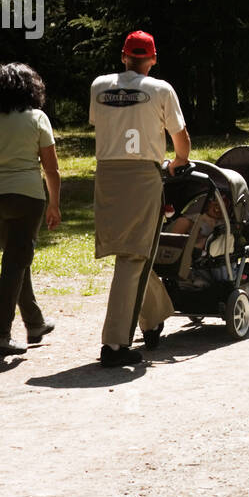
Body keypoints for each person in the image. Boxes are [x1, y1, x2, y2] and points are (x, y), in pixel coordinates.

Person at [90, 30, 190, 367]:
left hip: (106, 174)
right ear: (153, 58)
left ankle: (155, 315)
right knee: (134, 255)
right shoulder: (161, 89)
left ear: (123, 56)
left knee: (136, 251)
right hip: (142, 174)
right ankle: (114, 345)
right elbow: (181, 140)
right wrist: (177, 162)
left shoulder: (99, 86)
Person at [0, 63, 61, 357]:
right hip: (27, 198)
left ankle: (34, 323)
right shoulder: (37, 118)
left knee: (17, 258)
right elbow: (52, 168)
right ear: (31, 88)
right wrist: (55, 204)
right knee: (15, 263)